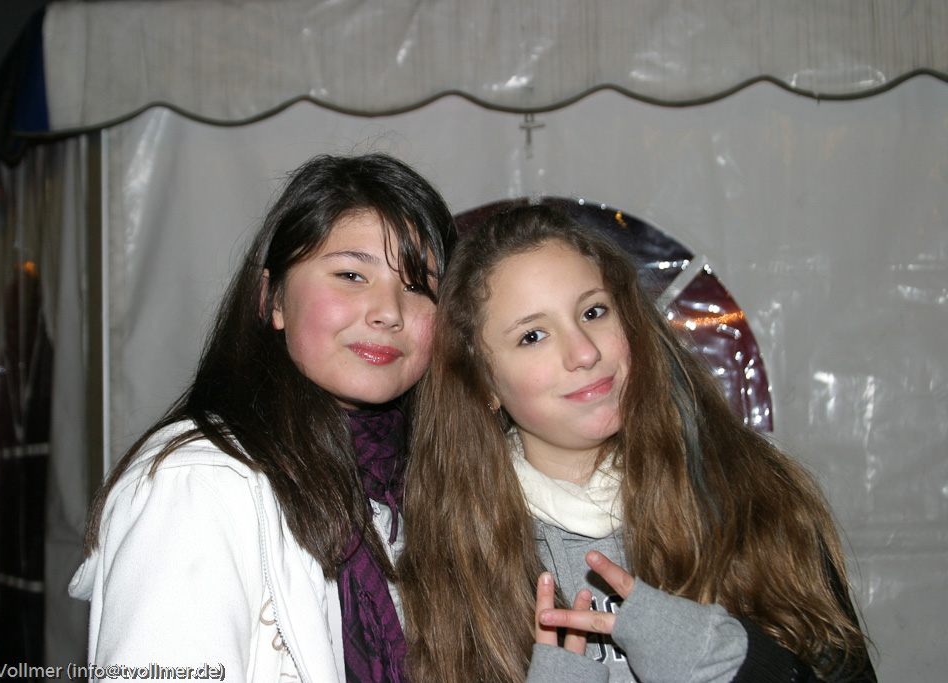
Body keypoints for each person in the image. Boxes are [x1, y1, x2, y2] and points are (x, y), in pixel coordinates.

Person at [398, 204, 875, 682]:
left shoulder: (755, 492)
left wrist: (735, 662)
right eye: (533, 336)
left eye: (593, 312)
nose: (584, 352)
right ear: (483, 382)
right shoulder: (448, 554)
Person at [69, 153, 457, 683]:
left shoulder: (418, 483)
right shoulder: (200, 483)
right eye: (351, 274)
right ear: (272, 299)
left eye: (416, 286)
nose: (389, 311)